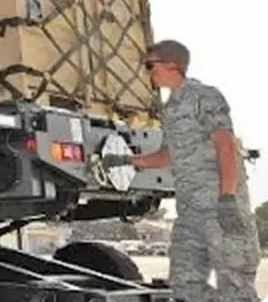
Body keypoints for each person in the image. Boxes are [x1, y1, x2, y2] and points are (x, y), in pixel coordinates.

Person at [104, 39, 259, 302]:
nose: (148, 72)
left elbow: (226, 147)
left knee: (235, 286)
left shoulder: (205, 97)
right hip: (190, 211)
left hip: (220, 206)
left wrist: (228, 198)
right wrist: (126, 161)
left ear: (173, 65)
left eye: (151, 65)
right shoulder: (171, 109)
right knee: (184, 283)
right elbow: (166, 156)